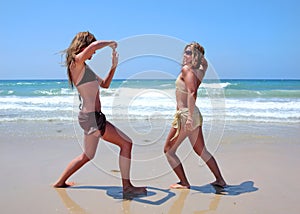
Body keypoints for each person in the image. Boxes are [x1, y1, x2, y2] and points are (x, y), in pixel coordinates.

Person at [53, 31, 147, 196]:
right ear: (83, 46)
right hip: (92, 119)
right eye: (91, 51)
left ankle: (60, 182)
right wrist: (111, 43)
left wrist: (114, 66)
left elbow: (105, 84)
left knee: (87, 155)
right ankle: (127, 187)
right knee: (126, 144)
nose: (93, 55)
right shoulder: (76, 63)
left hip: (90, 118)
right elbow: (94, 46)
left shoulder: (85, 68)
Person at [164, 42, 226, 189]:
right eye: (185, 52)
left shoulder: (187, 70)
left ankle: (184, 183)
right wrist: (198, 56)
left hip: (186, 115)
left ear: (196, 56)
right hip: (194, 114)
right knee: (201, 150)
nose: (185, 55)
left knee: (168, 150)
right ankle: (220, 180)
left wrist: (189, 117)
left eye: (189, 53)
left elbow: (192, 92)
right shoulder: (200, 70)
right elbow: (205, 64)